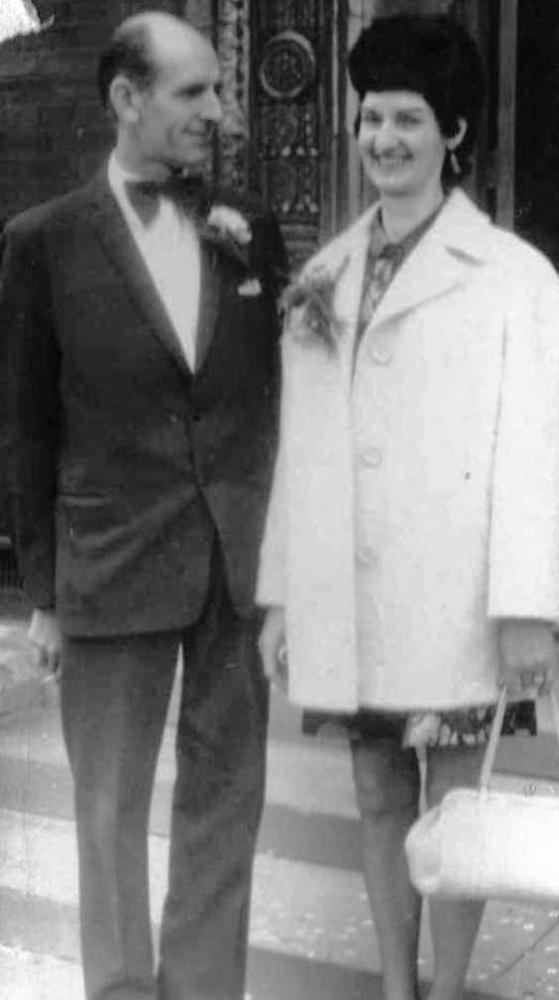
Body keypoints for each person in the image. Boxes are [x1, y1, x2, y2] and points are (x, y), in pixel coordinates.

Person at [258, 13, 559, 1000]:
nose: (383, 138)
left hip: (458, 595)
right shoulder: (322, 277)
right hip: (350, 592)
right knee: (372, 790)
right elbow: (299, 453)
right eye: (369, 117)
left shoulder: (515, 279)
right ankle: (395, 983)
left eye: (407, 118)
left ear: (454, 134)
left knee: (452, 806)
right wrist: (280, 595)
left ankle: (448, 982)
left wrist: (525, 606)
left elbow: (532, 452)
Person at [0, 11, 286, 1000]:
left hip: (234, 564)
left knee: (226, 803)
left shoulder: (250, 229)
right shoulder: (41, 243)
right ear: (126, 98)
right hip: (110, 560)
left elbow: (266, 401)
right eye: (194, 92)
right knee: (107, 809)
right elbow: (27, 427)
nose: (219, 109)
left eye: (217, 88)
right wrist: (44, 589)